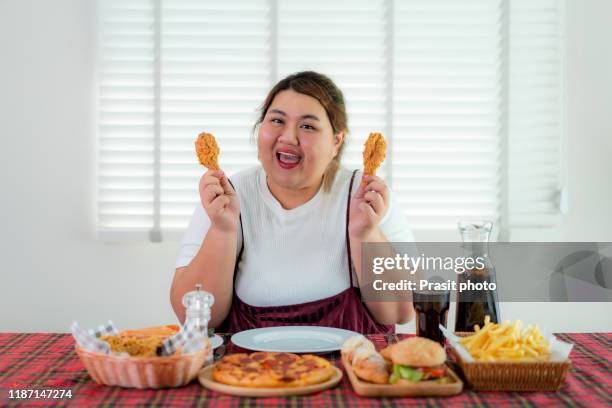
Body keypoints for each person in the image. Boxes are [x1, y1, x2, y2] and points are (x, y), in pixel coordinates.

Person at [171, 71, 415, 334]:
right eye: (277, 120)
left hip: (354, 372)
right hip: (248, 373)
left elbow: (401, 311)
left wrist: (365, 233)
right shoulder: (226, 196)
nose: (288, 137)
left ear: (336, 141)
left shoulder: (367, 196)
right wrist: (222, 230)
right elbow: (193, 318)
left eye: (307, 126)